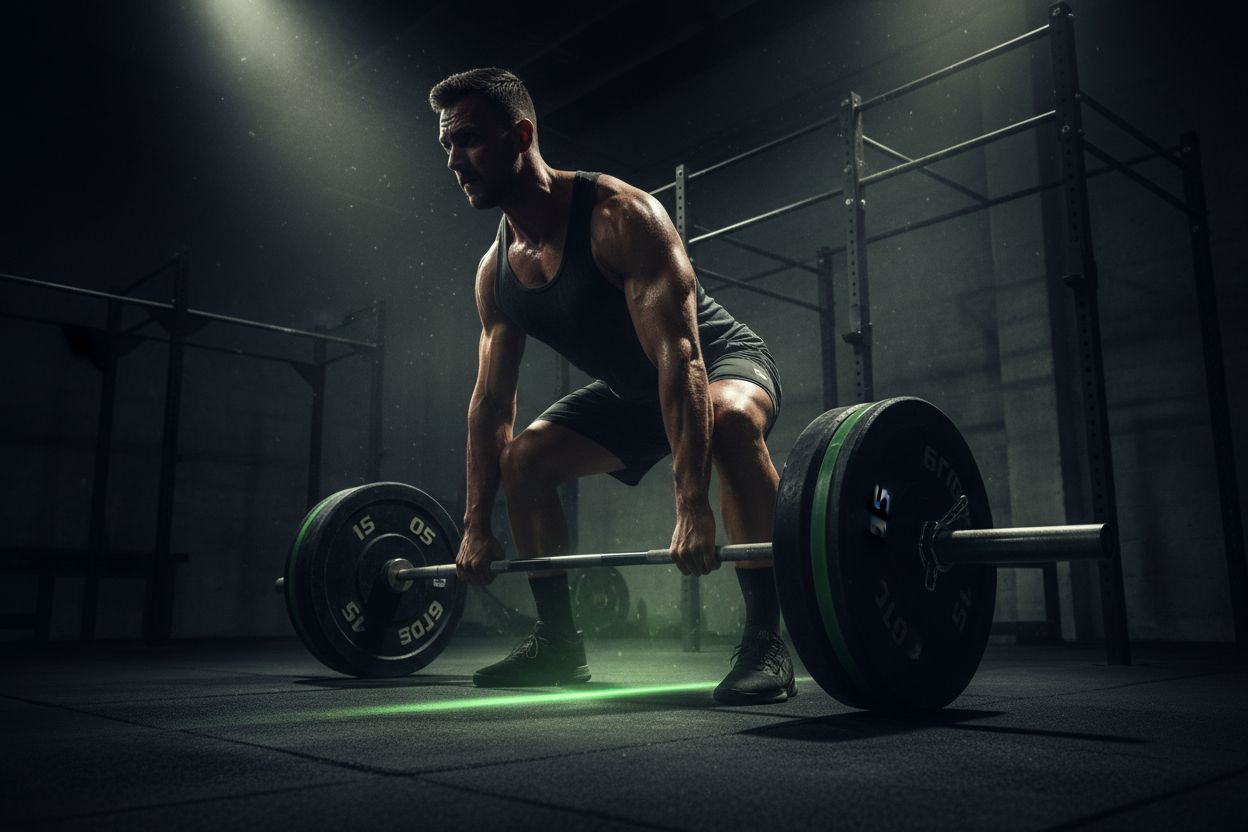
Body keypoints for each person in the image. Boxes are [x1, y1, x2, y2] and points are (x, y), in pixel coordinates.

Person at [429, 67, 794, 704]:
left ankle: (766, 640)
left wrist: (692, 505)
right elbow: (490, 403)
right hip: (634, 394)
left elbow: (682, 359)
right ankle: (559, 645)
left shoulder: (620, 217)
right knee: (524, 460)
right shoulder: (496, 273)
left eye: (469, 140)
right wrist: (474, 525)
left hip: (720, 365)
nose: (456, 161)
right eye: (447, 147)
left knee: (729, 417)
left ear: (521, 135)